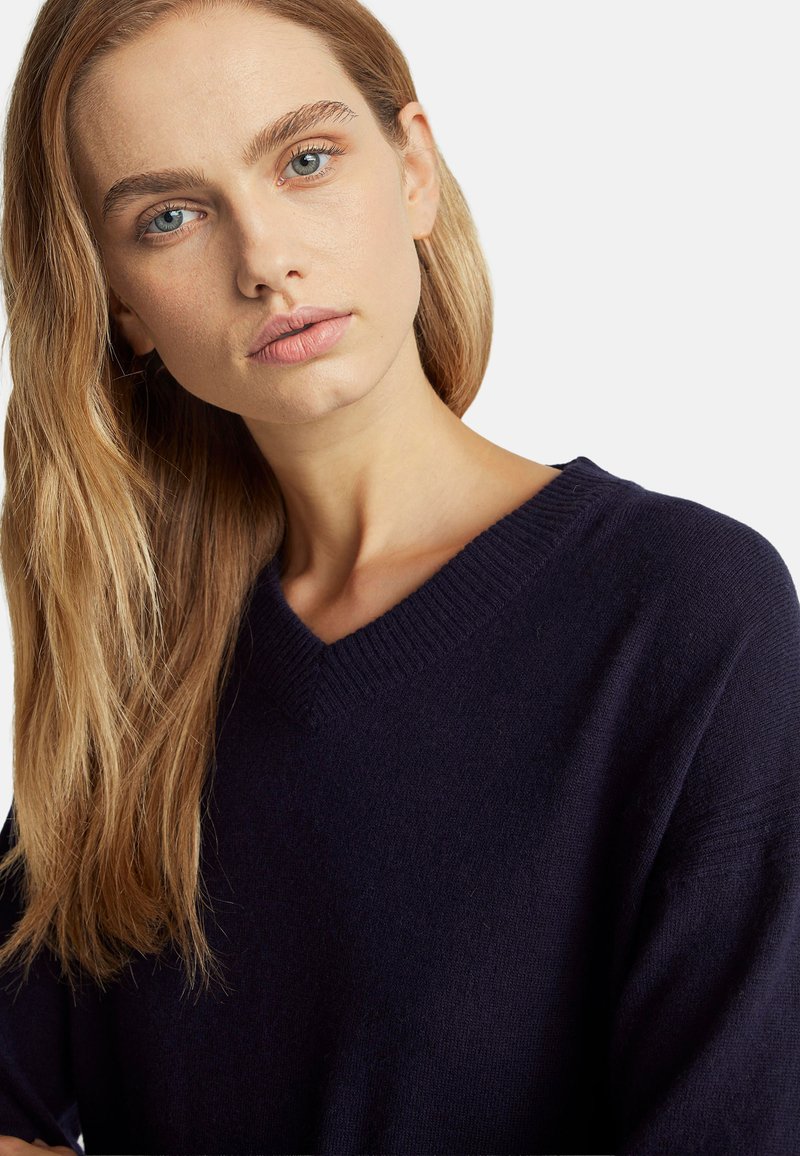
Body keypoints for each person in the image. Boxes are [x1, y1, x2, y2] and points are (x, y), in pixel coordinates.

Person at [0, 1, 798, 1153]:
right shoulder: (135, 669)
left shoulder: (682, 615)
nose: (264, 260)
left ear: (412, 170)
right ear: (118, 299)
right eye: (169, 215)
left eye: (304, 159)